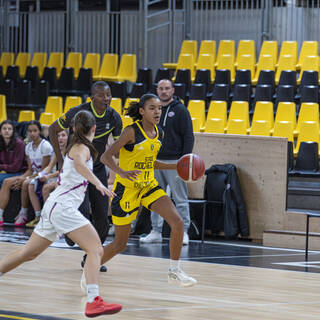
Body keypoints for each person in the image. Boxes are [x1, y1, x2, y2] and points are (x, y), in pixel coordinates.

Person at [0, 110, 122, 317]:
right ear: (94, 129)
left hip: (55, 206)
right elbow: (82, 167)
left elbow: (74, 169)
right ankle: (94, 300)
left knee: (28, 253)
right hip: (62, 207)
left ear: (73, 128)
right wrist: (99, 183)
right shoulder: (82, 148)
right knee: (95, 249)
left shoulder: (75, 147)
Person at [96, 93, 197, 287]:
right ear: (142, 111)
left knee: (177, 222)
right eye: (152, 108)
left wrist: (176, 166)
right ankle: (90, 269)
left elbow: (151, 162)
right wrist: (121, 172)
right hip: (126, 190)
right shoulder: (130, 132)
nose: (157, 111)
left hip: (148, 186)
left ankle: (174, 271)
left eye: (159, 108)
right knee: (120, 244)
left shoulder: (160, 132)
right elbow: (106, 157)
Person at [49, 81, 122, 271]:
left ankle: (91, 257)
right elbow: (52, 129)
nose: (106, 98)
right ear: (92, 98)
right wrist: (59, 160)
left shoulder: (114, 117)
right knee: (81, 213)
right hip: (76, 169)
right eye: (101, 95)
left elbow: (118, 148)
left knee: (102, 219)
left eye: (109, 95)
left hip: (96, 168)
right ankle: (69, 232)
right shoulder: (78, 113)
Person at [140, 79, 194, 245]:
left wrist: (185, 160)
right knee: (155, 197)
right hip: (155, 161)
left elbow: (188, 136)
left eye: (167, 89)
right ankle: (156, 230)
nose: (163, 91)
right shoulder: (152, 110)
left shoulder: (181, 111)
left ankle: (184, 231)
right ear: (156, 90)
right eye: (161, 88)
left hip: (175, 162)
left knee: (180, 198)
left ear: (173, 90)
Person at [0, 121, 53, 227]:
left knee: (25, 183)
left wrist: (25, 178)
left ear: (40, 132)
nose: (32, 133)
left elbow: (43, 170)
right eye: (30, 131)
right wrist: (22, 178)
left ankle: (25, 213)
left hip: (46, 175)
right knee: (9, 181)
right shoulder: (28, 146)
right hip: (33, 174)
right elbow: (30, 169)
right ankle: (2, 214)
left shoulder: (45, 146)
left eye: (35, 131)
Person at [26, 129, 69, 228]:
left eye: (63, 135)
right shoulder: (56, 150)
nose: (60, 138)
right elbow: (49, 167)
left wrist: (48, 176)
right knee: (32, 183)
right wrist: (40, 175)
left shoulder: (70, 151)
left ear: (68, 137)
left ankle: (50, 218)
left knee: (46, 188)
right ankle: (39, 216)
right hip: (56, 177)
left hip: (68, 178)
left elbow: (64, 170)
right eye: (58, 136)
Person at [0, 120, 28, 226]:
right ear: (0, 131)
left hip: (21, 173)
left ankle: (0, 215)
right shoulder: (0, 143)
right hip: (7, 173)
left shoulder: (19, 144)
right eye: (4, 129)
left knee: (6, 181)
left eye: (9, 129)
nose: (7, 131)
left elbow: (15, 167)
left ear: (13, 131)